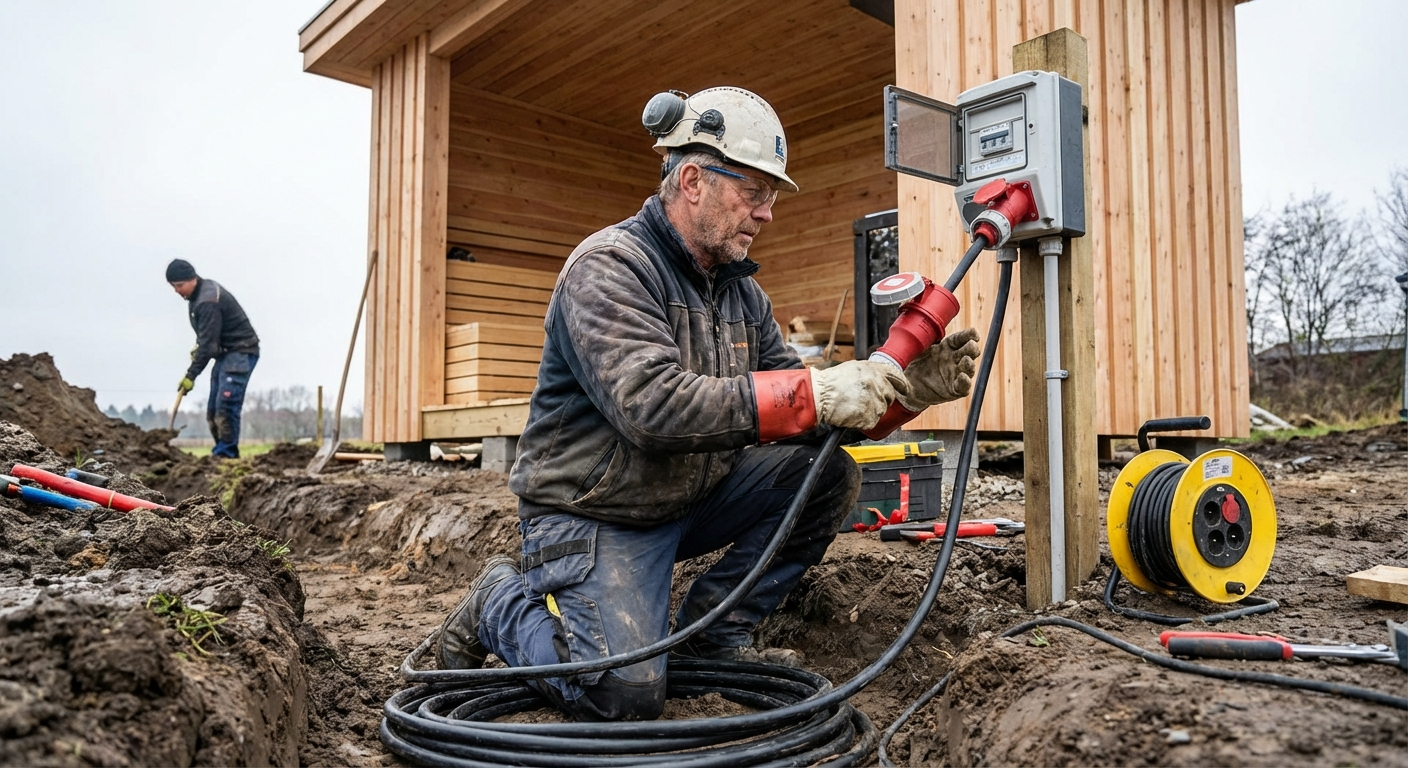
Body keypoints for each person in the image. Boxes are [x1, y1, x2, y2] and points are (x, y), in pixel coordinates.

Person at [436, 87, 981, 721]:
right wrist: (816, 389)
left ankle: (711, 639)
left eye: (771, 196)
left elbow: (808, 421)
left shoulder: (743, 298)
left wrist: (903, 394)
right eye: (754, 191)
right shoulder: (611, 268)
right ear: (692, 180)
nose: (768, 213)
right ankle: (498, 600)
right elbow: (652, 407)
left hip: (686, 497)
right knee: (619, 694)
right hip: (593, 512)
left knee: (823, 473)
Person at [166, 259, 261, 459]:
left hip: (240, 351)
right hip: (226, 353)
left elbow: (209, 345)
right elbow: (208, 337)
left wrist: (191, 375)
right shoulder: (197, 296)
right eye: (173, 287)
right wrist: (200, 346)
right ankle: (221, 453)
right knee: (212, 411)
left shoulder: (207, 301)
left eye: (179, 286)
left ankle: (226, 455)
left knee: (226, 405)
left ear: (192, 279)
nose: (177, 291)